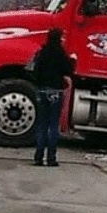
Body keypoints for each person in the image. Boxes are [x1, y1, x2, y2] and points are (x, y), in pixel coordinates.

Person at [32, 27, 74, 167]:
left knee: (42, 124)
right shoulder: (61, 53)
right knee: (53, 125)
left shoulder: (42, 52)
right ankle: (51, 158)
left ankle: (38, 157)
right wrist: (73, 60)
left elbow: (34, 70)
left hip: (42, 91)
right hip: (56, 91)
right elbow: (68, 70)